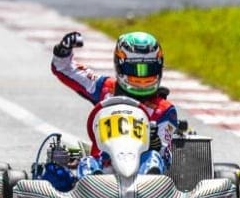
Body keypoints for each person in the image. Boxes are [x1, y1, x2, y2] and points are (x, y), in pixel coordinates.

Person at [50, 31, 178, 177]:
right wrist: (63, 50)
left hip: (143, 179)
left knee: (154, 159)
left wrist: (155, 144)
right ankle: (91, 183)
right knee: (86, 162)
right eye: (134, 69)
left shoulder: (164, 110)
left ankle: (148, 179)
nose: (142, 77)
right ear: (120, 65)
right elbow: (65, 69)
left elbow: (166, 157)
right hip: (102, 169)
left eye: (149, 69)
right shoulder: (105, 88)